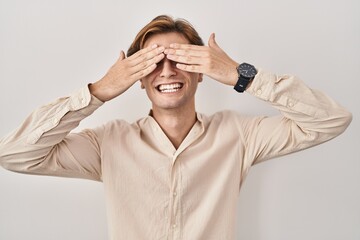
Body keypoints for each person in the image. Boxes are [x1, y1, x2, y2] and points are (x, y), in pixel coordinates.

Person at [0, 15, 352, 240]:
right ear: (138, 78)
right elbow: (14, 155)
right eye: (152, 62)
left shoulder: (239, 136)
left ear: (201, 70)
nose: (167, 71)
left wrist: (243, 76)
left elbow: (330, 121)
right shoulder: (107, 143)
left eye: (181, 59)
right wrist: (99, 91)